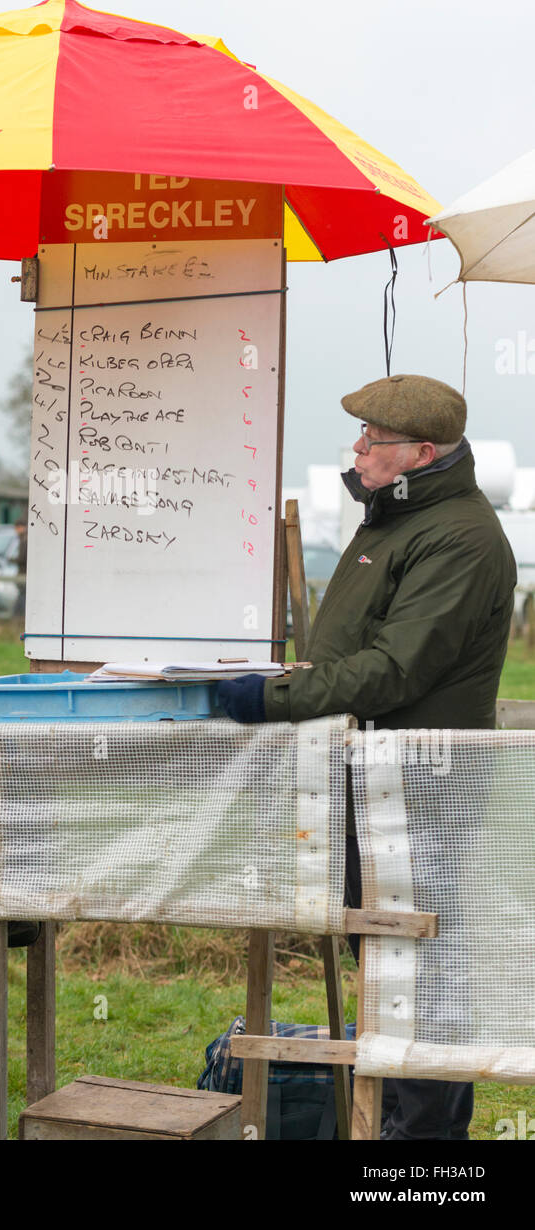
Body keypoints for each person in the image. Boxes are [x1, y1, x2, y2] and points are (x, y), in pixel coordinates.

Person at [218, 374, 517, 1140]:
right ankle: (387, 1116)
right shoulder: (392, 517)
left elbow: (395, 667)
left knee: (420, 967)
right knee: (383, 958)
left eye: (371, 441)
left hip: (421, 783)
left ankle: (421, 1143)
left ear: (420, 452)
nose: (355, 450)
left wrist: (269, 698)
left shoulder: (458, 536)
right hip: (372, 776)